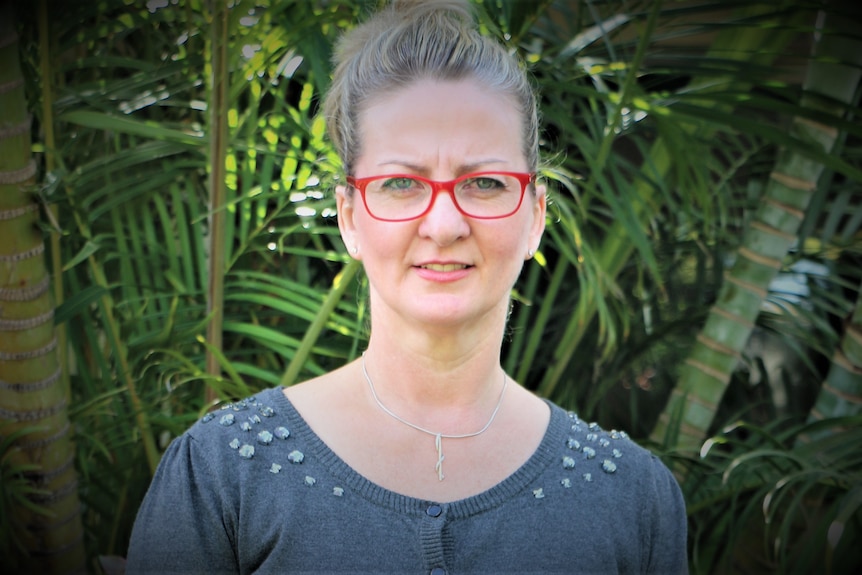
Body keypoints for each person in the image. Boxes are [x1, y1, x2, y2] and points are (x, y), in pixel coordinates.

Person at [126, 0, 688, 573]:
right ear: (349, 216)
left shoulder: (635, 500)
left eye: (486, 182)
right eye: (400, 183)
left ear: (535, 216)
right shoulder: (223, 474)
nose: (444, 226)